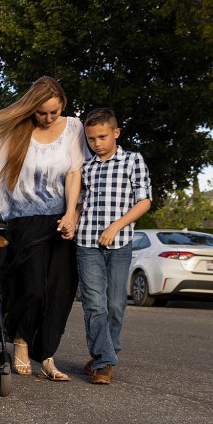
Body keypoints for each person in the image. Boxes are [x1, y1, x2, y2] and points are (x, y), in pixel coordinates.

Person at [0, 76, 84, 381]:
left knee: (60, 291)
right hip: (25, 224)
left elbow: (74, 173)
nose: (48, 118)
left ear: (62, 104)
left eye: (54, 111)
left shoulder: (73, 128)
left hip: (61, 222)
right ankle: (21, 341)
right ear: (31, 109)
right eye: (42, 113)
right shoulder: (16, 133)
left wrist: (71, 215)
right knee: (34, 288)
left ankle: (47, 357)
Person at [73, 108, 152, 384]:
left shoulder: (133, 160)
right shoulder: (86, 166)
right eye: (91, 139)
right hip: (87, 243)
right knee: (95, 304)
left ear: (116, 133)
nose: (97, 144)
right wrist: (70, 219)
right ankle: (105, 361)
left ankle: (105, 354)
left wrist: (116, 226)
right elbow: (80, 204)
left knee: (116, 304)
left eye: (102, 137)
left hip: (120, 244)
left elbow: (144, 201)